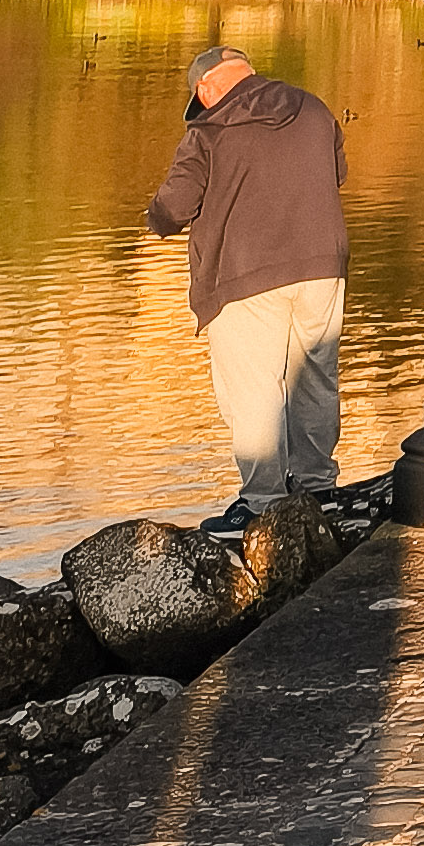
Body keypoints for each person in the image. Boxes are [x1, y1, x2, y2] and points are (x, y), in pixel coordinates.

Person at [145, 45, 347, 527]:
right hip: (323, 267)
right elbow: (337, 174)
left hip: (245, 274)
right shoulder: (314, 109)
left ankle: (264, 502)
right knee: (315, 377)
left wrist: (153, 219)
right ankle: (318, 486)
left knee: (256, 388)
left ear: (206, 87)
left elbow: (174, 206)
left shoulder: (209, 130)